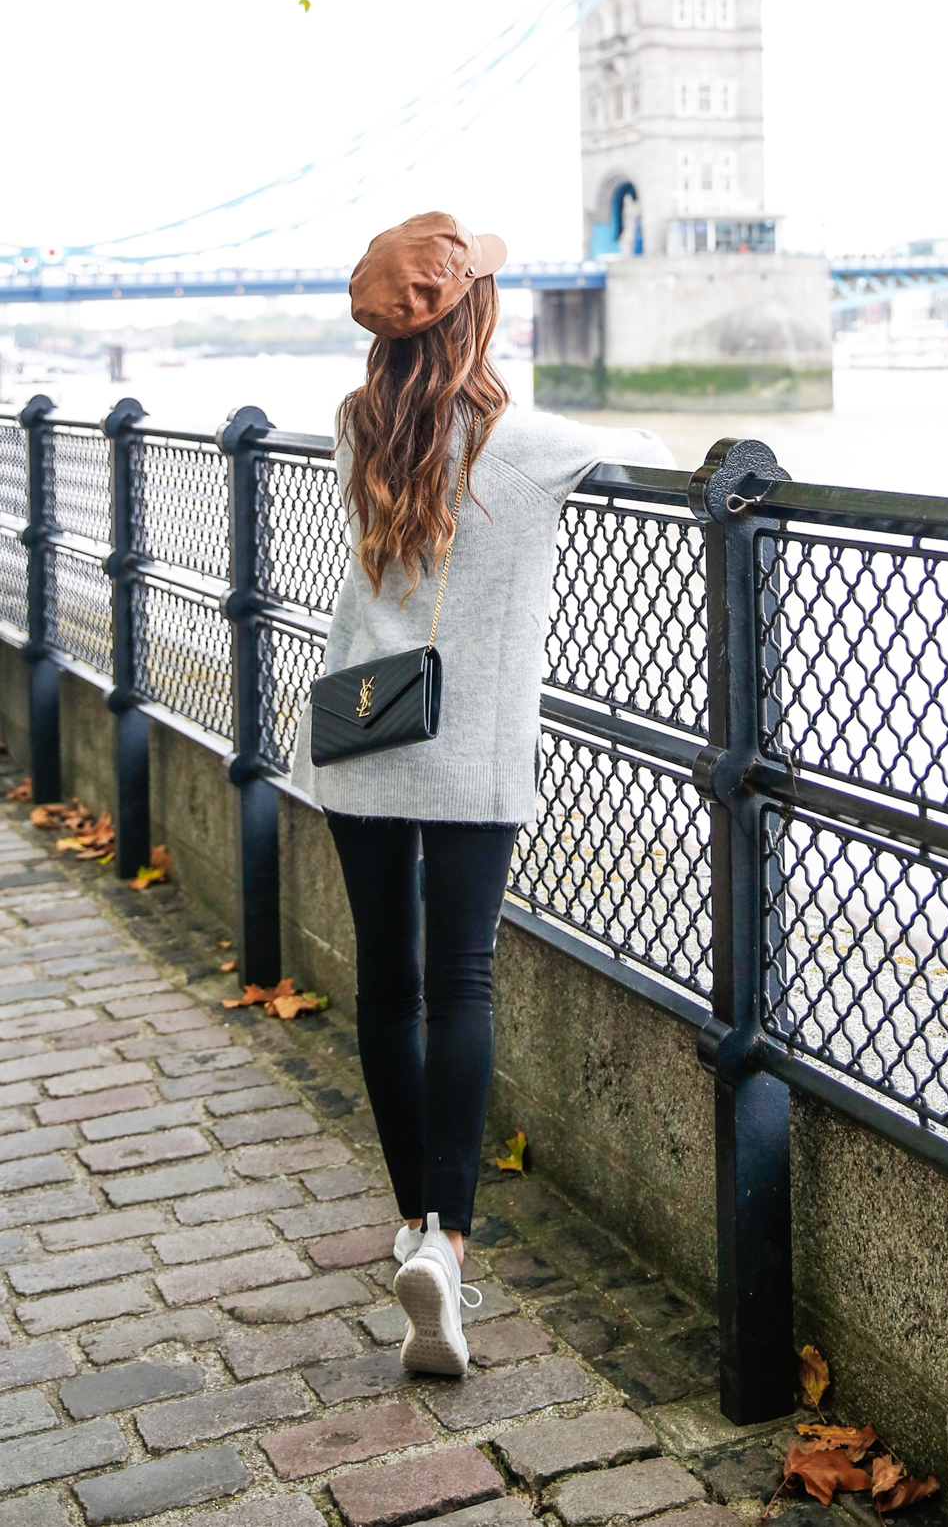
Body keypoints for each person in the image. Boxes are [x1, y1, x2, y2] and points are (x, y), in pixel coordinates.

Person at [291, 211, 672, 1377]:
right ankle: (449, 1241)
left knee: (387, 984)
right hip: (471, 750)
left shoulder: (354, 425)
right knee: (461, 979)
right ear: (474, 312)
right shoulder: (529, 441)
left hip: (360, 734)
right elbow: (665, 455)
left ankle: (413, 1219)